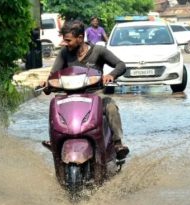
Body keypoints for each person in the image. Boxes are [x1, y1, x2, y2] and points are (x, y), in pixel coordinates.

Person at [41, 20, 129, 161]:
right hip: (69, 96)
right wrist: (47, 84)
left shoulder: (98, 51)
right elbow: (53, 75)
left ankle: (117, 143)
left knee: (111, 107)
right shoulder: (64, 54)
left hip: (95, 95)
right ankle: (56, 139)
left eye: (68, 40)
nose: (66, 44)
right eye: (64, 40)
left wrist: (111, 75)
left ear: (80, 38)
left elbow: (121, 65)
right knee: (54, 104)